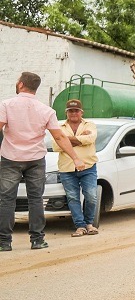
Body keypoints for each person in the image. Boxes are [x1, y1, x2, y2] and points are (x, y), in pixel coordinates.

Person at [0, 72, 85, 251]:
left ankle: (4, 242)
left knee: (6, 199)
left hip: (11, 158)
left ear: (21, 85)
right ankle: (37, 240)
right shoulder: (47, 110)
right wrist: (76, 158)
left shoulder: (6, 105)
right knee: (36, 199)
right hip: (35, 160)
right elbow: (59, 137)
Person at [57, 99, 100, 237]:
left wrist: (66, 139)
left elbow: (91, 139)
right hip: (67, 168)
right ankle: (80, 226)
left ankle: (89, 223)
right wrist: (81, 139)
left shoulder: (90, 125)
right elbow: (56, 145)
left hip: (88, 166)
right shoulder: (59, 126)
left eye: (76, 111)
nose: (73, 113)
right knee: (72, 198)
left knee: (91, 196)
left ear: (81, 112)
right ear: (66, 112)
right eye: (70, 111)